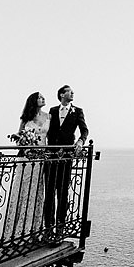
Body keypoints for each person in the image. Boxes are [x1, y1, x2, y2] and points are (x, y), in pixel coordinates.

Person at [44, 85, 88, 244]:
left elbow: (84, 130)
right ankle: (47, 229)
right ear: (62, 94)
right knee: (49, 193)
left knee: (62, 193)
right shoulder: (52, 110)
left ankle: (60, 229)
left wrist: (81, 142)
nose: (73, 93)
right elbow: (46, 130)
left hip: (67, 157)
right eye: (70, 91)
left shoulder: (78, 111)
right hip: (50, 156)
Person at [3, 92, 48, 241]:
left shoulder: (49, 117)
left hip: (41, 158)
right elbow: (18, 137)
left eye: (43, 97)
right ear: (33, 101)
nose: (43, 99)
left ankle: (34, 227)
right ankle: (19, 227)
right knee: (24, 188)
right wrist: (24, 140)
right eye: (40, 97)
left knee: (36, 190)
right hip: (27, 158)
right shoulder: (25, 119)